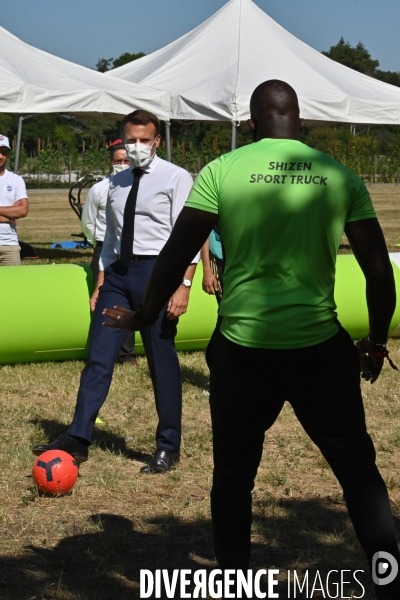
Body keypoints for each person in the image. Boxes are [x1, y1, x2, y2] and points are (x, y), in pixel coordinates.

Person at [103, 82, 400, 598]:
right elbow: (380, 274)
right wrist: (375, 343)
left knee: (234, 475)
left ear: (251, 125)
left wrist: (145, 312)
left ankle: (236, 583)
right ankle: (387, 572)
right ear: (301, 124)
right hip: (319, 349)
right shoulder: (338, 175)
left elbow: (177, 253)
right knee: (357, 468)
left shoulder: (222, 170)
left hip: (243, 349)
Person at [33, 109, 198, 474]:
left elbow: (187, 237)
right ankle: (77, 438)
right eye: (131, 140)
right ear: (122, 140)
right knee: (99, 357)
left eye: (144, 140)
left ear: (156, 141)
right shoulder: (115, 183)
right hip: (119, 276)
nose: (137, 147)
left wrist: (184, 285)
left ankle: (168, 446)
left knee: (161, 362)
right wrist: (101, 282)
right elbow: (110, 238)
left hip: (158, 274)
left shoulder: (176, 177)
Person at [81, 139, 137, 365]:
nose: (122, 164)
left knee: (130, 300)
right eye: (118, 161)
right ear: (110, 162)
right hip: (105, 248)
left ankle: (127, 354)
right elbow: (88, 222)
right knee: (103, 299)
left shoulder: (138, 186)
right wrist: (100, 241)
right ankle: (101, 352)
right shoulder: (99, 189)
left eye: (126, 160)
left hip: (132, 250)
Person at [0, 135, 29, 265]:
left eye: (4, 153)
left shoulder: (16, 180)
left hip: (9, 244)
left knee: (12, 284)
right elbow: (17, 211)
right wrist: (9, 214)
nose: (1, 156)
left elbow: (23, 210)